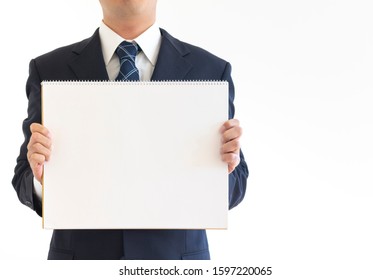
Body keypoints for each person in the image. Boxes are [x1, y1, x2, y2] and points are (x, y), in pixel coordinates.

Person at [12, 0, 248, 260]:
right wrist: (43, 180)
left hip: (175, 264)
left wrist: (220, 172)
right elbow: (24, 176)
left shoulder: (211, 71)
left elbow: (236, 187)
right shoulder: (49, 69)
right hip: (82, 263)